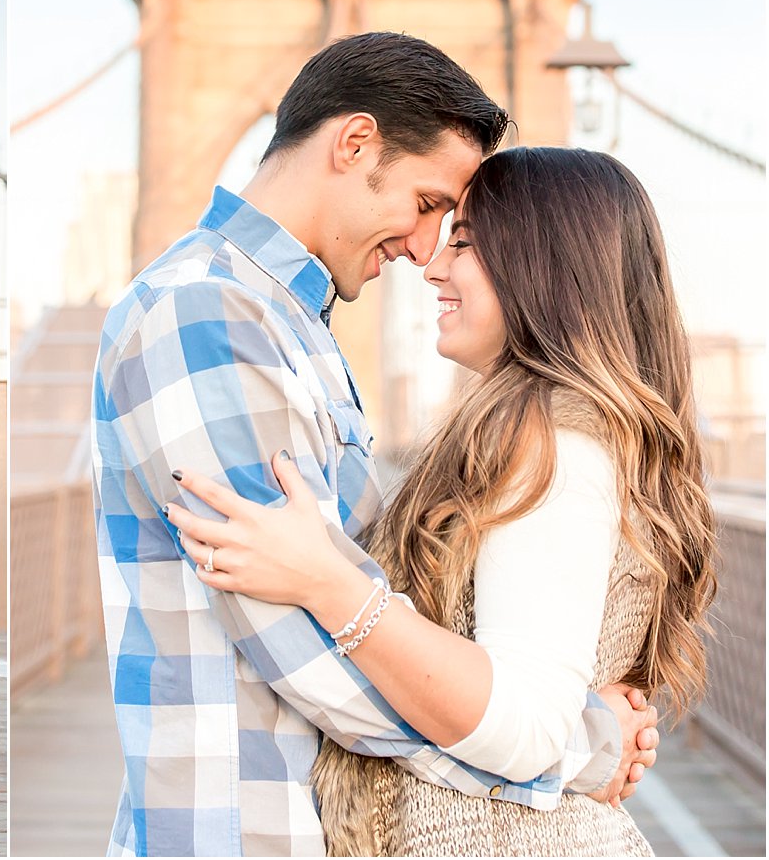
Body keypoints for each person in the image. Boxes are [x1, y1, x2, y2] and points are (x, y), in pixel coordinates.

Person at [91, 33, 659, 857]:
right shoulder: (206, 316)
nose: (426, 249)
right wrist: (571, 744)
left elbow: (359, 594)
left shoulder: (295, 326)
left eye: (457, 231)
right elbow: (307, 647)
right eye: (431, 205)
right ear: (355, 143)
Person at [166, 147, 715, 855]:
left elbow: (526, 727)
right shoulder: (537, 433)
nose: (431, 267)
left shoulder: (555, 443)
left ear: (547, 266)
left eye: (466, 242)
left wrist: (332, 585)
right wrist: (594, 739)